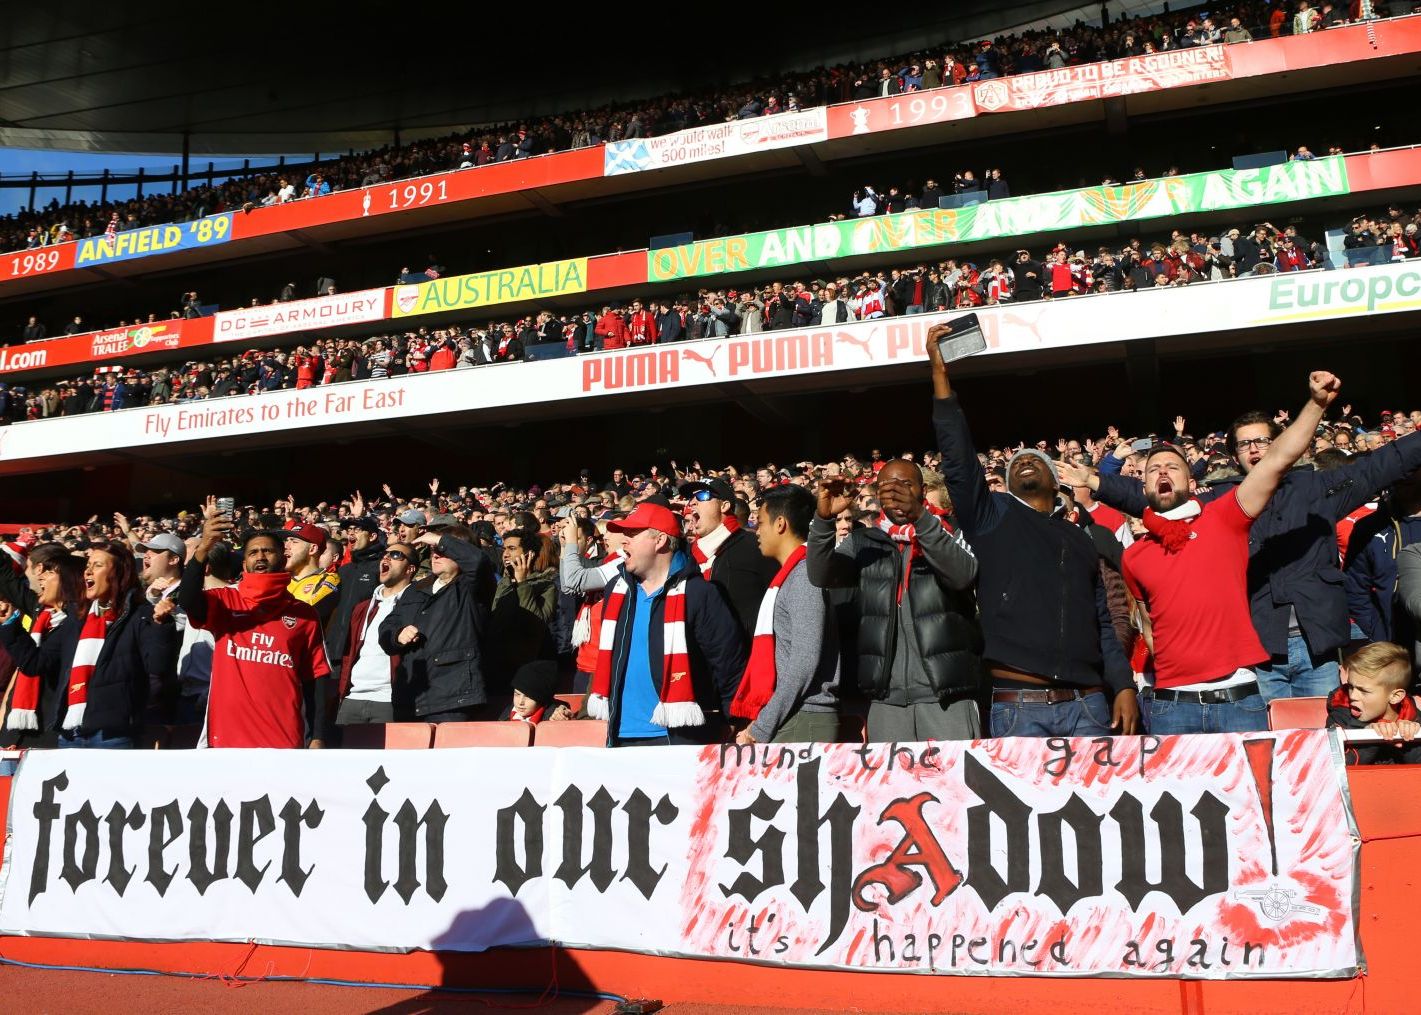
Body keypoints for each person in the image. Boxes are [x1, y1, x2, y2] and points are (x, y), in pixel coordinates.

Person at [1072, 401, 1421, 701]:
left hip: (1319, 647)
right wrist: (1097, 482)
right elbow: (1162, 494)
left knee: (1317, 748)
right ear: (1234, 455)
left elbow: (1380, 466)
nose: (1254, 450)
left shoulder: (1317, 487)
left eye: (1262, 441)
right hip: (1260, 649)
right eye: (1243, 445)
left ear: (1281, 442)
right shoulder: (1222, 502)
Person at [928, 325, 1139, 738]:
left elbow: (1102, 622)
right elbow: (957, 460)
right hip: (1018, 706)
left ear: (1055, 479)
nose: (1024, 463)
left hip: (1090, 706)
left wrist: (1124, 685)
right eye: (1015, 464)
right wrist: (940, 378)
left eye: (1035, 460)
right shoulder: (994, 517)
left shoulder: (1082, 537)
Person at [1122, 371, 1340, 735]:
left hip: (1238, 699)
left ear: (1191, 482)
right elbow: (1147, 623)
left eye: (1172, 466)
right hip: (1171, 707)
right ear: (1143, 487)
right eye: (1152, 469)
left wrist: (1317, 405)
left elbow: (1277, 460)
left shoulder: (1224, 517)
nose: (1162, 471)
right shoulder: (1134, 556)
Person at [807, 455, 981, 740]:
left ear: (923, 491)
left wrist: (921, 519)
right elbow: (821, 575)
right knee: (891, 785)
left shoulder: (950, 532)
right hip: (886, 699)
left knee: (953, 783)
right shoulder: (865, 541)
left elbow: (962, 575)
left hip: (947, 697)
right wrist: (824, 520)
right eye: (887, 486)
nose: (895, 491)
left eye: (904, 484)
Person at [584, 500, 746, 746]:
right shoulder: (616, 592)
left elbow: (728, 663)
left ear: (660, 541)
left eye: (632, 534)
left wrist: (735, 719)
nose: (623, 541)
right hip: (619, 736)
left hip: (677, 738)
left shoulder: (699, 593)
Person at [178, 500, 331, 748]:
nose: (260, 556)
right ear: (244, 563)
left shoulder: (304, 615)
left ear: (283, 558)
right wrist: (204, 547)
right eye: (252, 552)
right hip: (226, 740)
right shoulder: (225, 601)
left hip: (282, 740)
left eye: (268, 551)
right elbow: (187, 600)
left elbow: (316, 679)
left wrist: (318, 736)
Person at [1, 540, 178, 749]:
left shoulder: (141, 615)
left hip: (113, 734)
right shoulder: (77, 620)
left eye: (98, 565)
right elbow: (35, 664)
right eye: (88, 565)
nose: (88, 572)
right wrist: (10, 624)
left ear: (120, 572)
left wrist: (161, 626)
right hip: (69, 733)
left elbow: (158, 667)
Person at [731, 485, 842, 744]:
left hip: (805, 717)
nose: (756, 531)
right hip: (795, 714)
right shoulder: (794, 574)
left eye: (759, 523)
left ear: (780, 523)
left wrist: (761, 727)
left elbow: (803, 662)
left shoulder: (803, 576)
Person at [380, 527, 496, 722]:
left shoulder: (470, 587)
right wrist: (397, 634)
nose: (435, 554)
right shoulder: (416, 589)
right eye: (433, 550)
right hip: (410, 697)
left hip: (453, 698)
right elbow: (387, 625)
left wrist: (439, 539)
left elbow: (479, 562)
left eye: (443, 550)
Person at [0, 554, 88, 745]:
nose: (40, 576)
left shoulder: (80, 625)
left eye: (49, 572)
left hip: (49, 734)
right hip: (15, 730)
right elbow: (6, 580)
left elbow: (36, 663)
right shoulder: (41, 614)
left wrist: (11, 625)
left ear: (70, 580)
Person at [680, 477, 776, 639]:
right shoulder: (687, 556)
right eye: (691, 498)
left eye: (702, 496)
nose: (693, 503)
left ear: (724, 505)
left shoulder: (755, 547)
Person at [335, 541, 417, 728]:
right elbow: (351, 653)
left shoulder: (419, 604)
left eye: (396, 555)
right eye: (385, 554)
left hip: (389, 700)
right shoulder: (363, 607)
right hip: (352, 698)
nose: (386, 557)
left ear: (410, 568)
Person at [1326, 641, 1421, 764]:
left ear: (1395, 696)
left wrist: (1410, 738)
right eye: (1350, 686)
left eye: (1363, 691)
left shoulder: (1413, 718)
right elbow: (1334, 767)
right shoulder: (1340, 715)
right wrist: (1367, 735)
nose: (1353, 695)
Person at [488, 528, 559, 689]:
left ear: (530, 554)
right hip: (496, 667)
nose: (505, 554)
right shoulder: (503, 583)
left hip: (525, 669)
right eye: (504, 549)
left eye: (512, 549)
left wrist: (522, 583)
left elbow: (536, 622)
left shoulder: (546, 585)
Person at [283, 520, 341, 626]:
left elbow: (306, 613)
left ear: (312, 549)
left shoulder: (328, 579)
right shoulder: (279, 578)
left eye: (294, 541)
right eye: (286, 541)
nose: (286, 546)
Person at [501, 660, 571, 724]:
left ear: (541, 699)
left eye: (528, 696)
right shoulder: (507, 714)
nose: (520, 702)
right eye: (517, 694)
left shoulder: (554, 716)